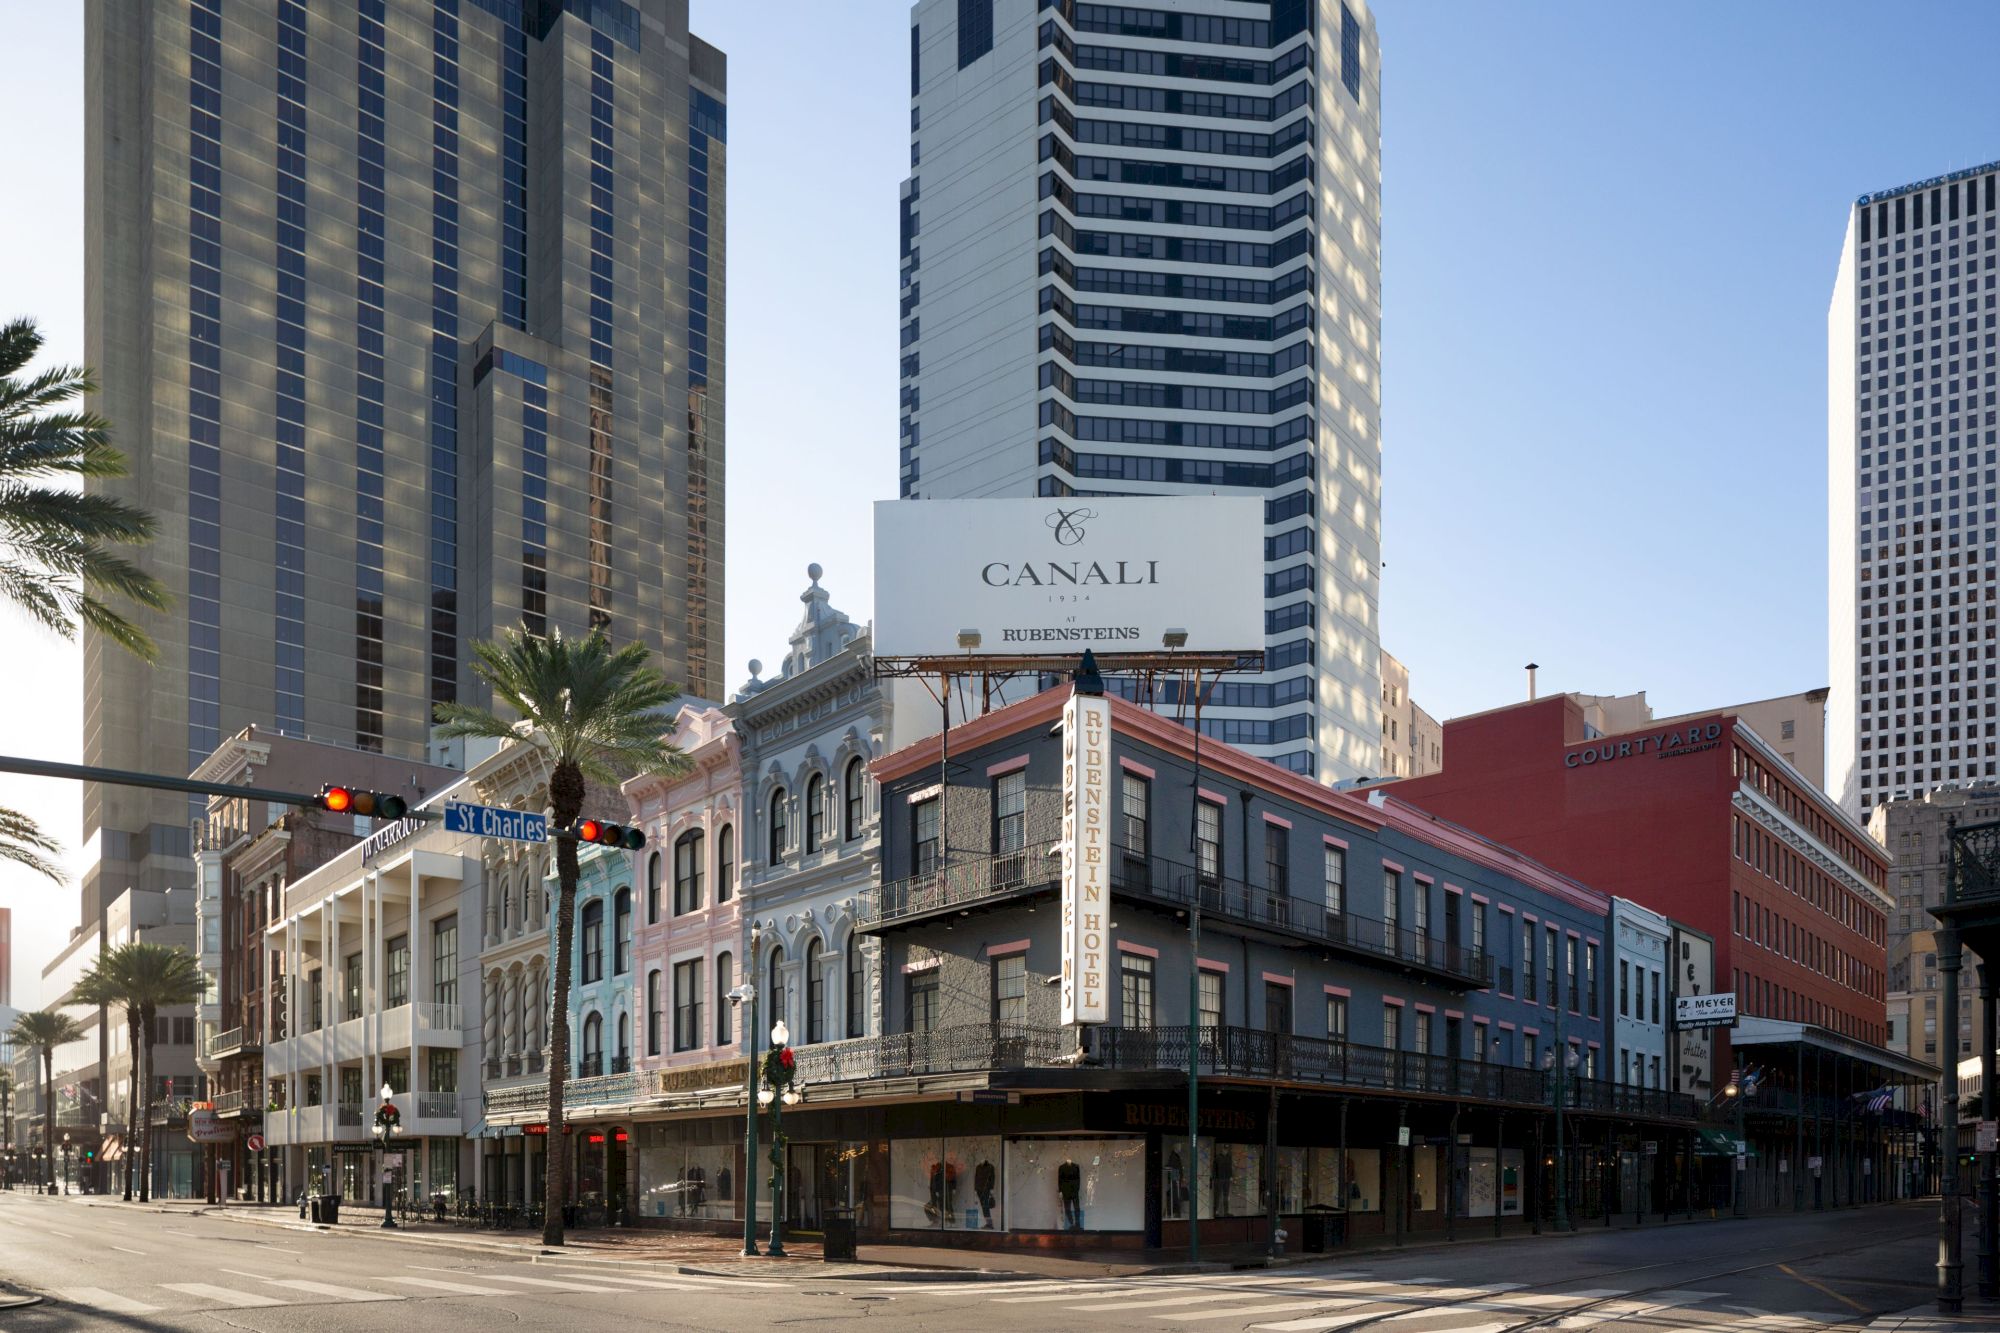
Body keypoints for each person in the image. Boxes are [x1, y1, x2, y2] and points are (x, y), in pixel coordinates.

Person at [1057, 1157, 1082, 1230]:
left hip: (1074, 1191)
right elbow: (1059, 1180)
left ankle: (1077, 1223)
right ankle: (1071, 1222)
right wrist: (1060, 1191)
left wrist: (1077, 1189)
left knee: (1077, 1208)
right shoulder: (1061, 1167)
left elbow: (1078, 1179)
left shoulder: (1076, 1166)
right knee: (1067, 1209)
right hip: (1066, 1191)